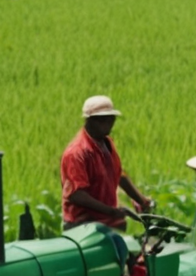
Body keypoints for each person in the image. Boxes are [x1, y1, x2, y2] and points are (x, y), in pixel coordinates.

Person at [60, 95, 152, 231]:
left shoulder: (107, 143)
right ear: (89, 121)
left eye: (111, 119)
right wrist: (110, 211)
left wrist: (142, 201)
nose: (109, 123)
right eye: (102, 120)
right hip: (83, 226)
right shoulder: (77, 153)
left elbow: (118, 174)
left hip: (108, 222)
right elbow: (76, 195)